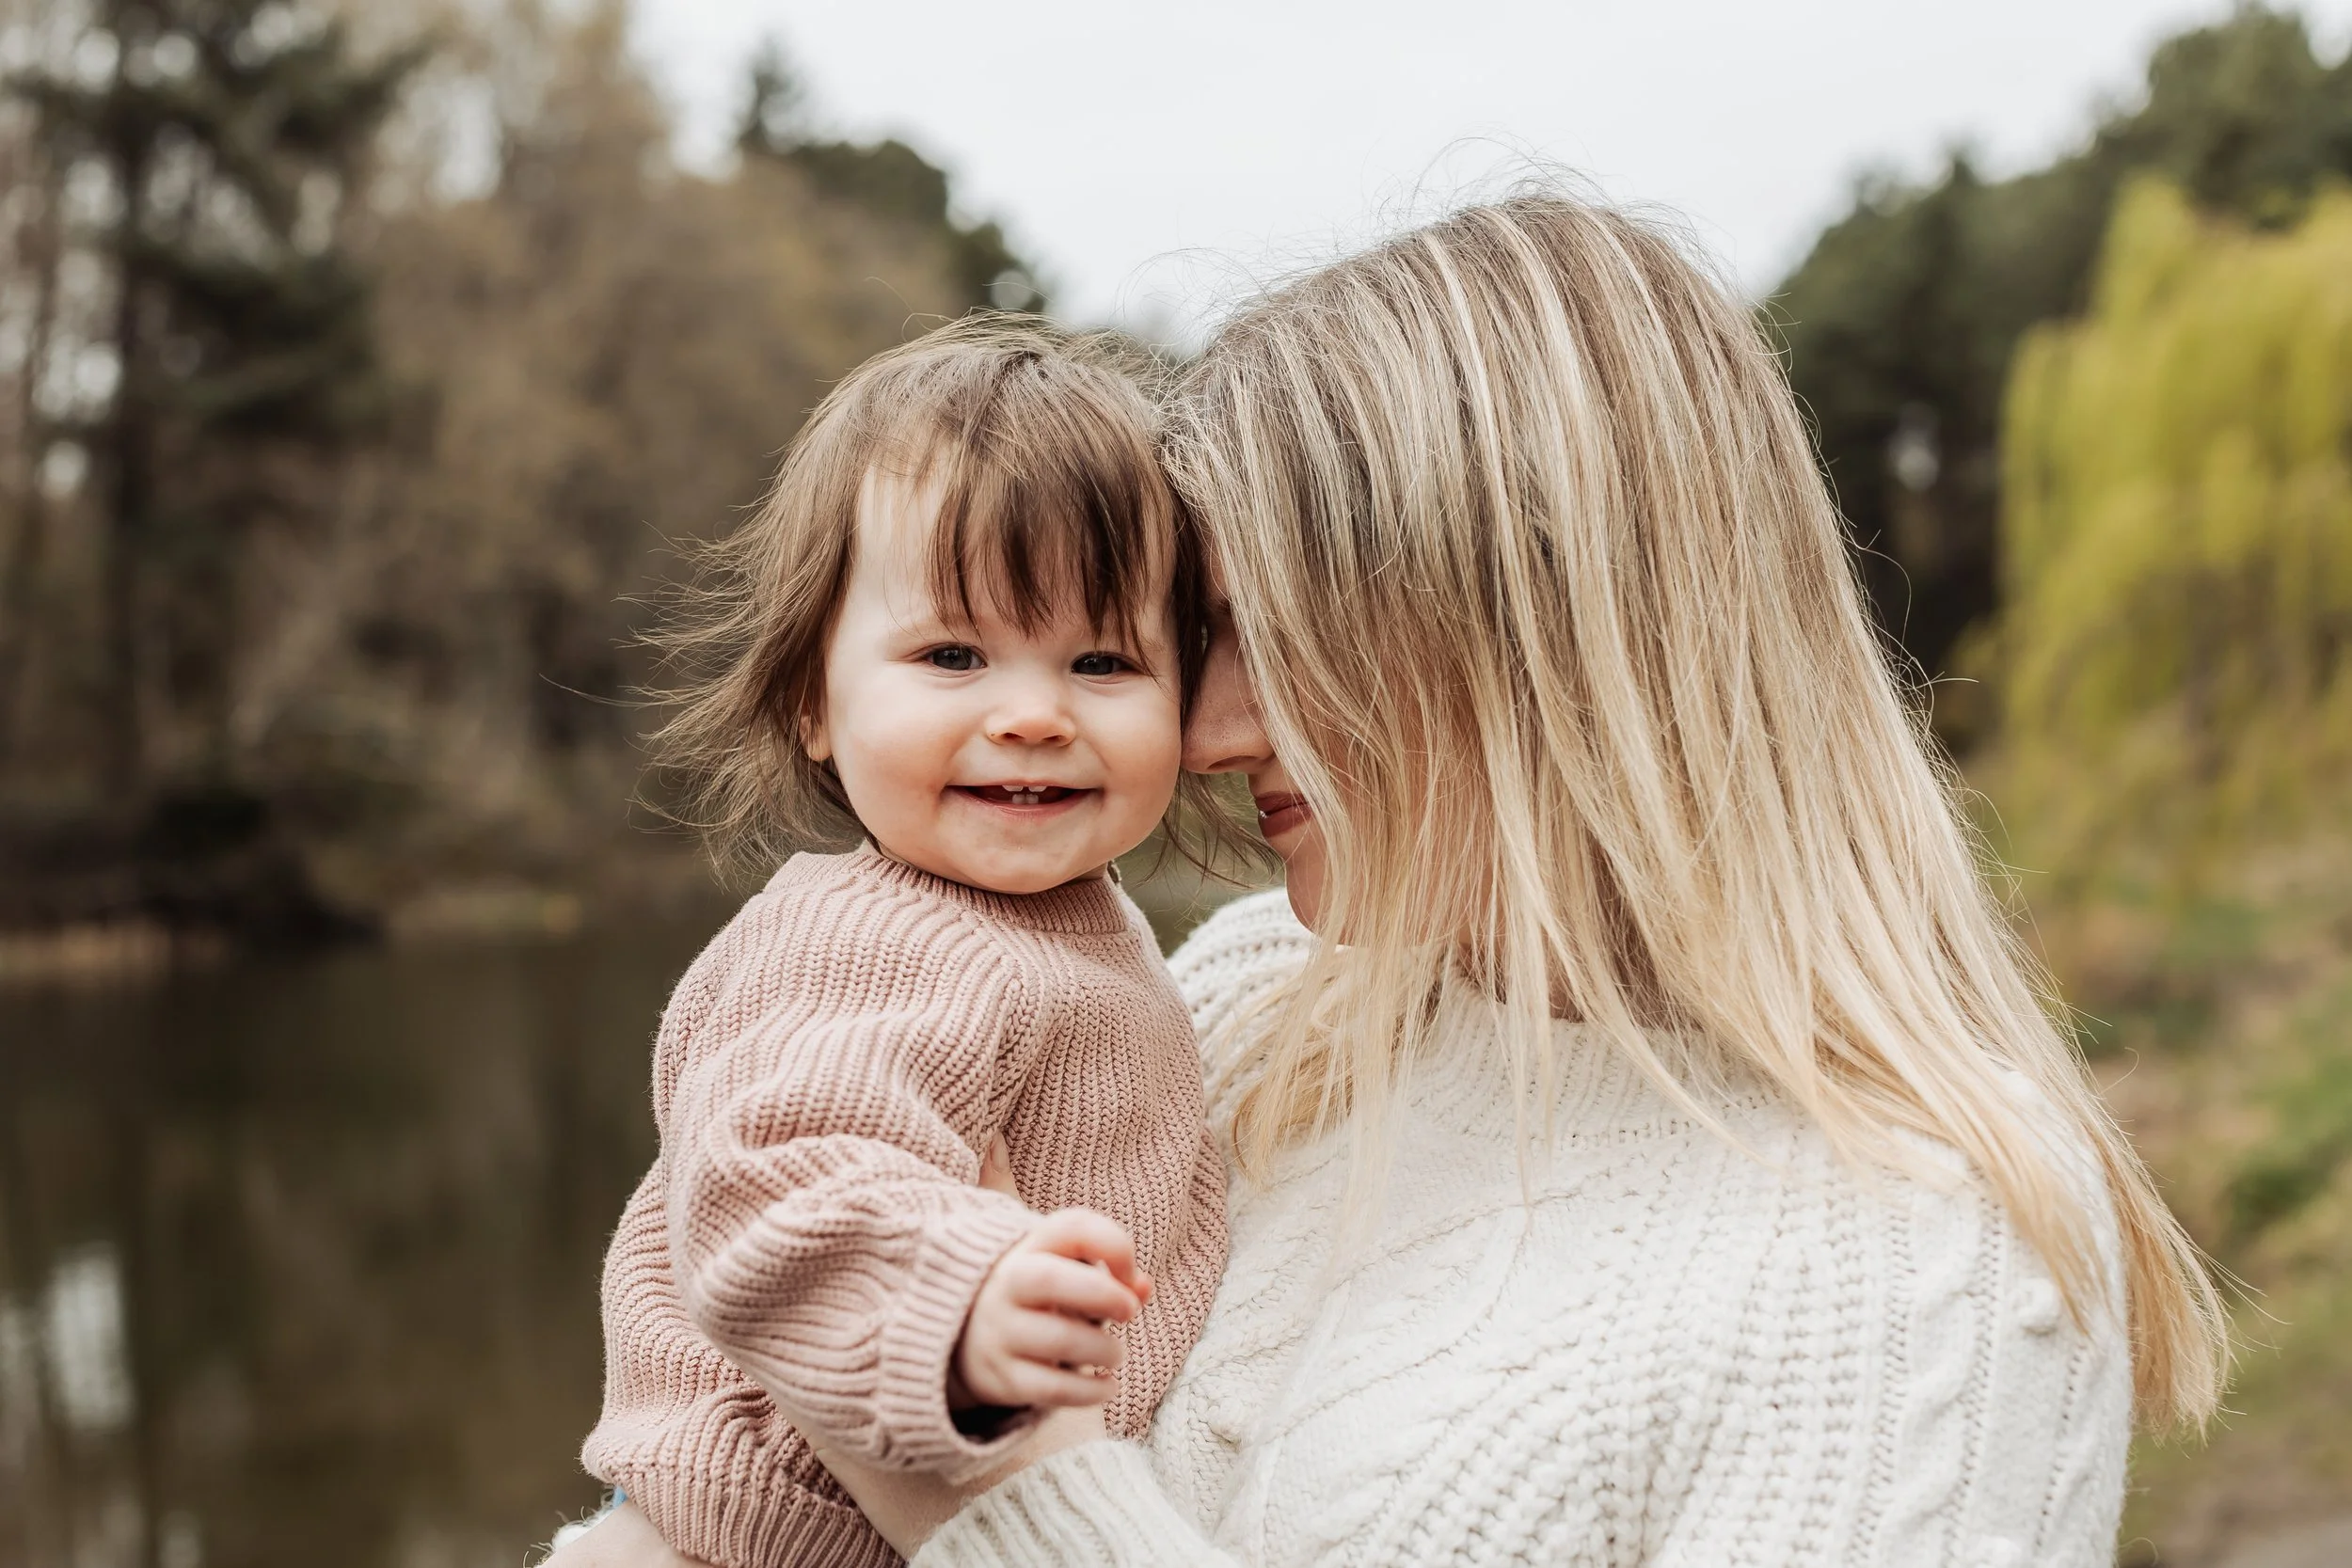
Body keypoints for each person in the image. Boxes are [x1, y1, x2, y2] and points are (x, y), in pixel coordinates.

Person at [559, 190, 2228, 1568]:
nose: (1203, 731)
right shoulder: (1231, 1009)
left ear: (1530, 645)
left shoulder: (1922, 1256)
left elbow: (939, 1423)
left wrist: (996, 1481)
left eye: (1245, 639)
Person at [574, 321, 1228, 1568]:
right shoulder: (872, 935)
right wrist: (963, 1304)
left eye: (1101, 658)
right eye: (953, 655)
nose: (1031, 713)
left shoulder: (1079, 931)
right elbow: (778, 1176)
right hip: (737, 1545)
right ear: (815, 698)